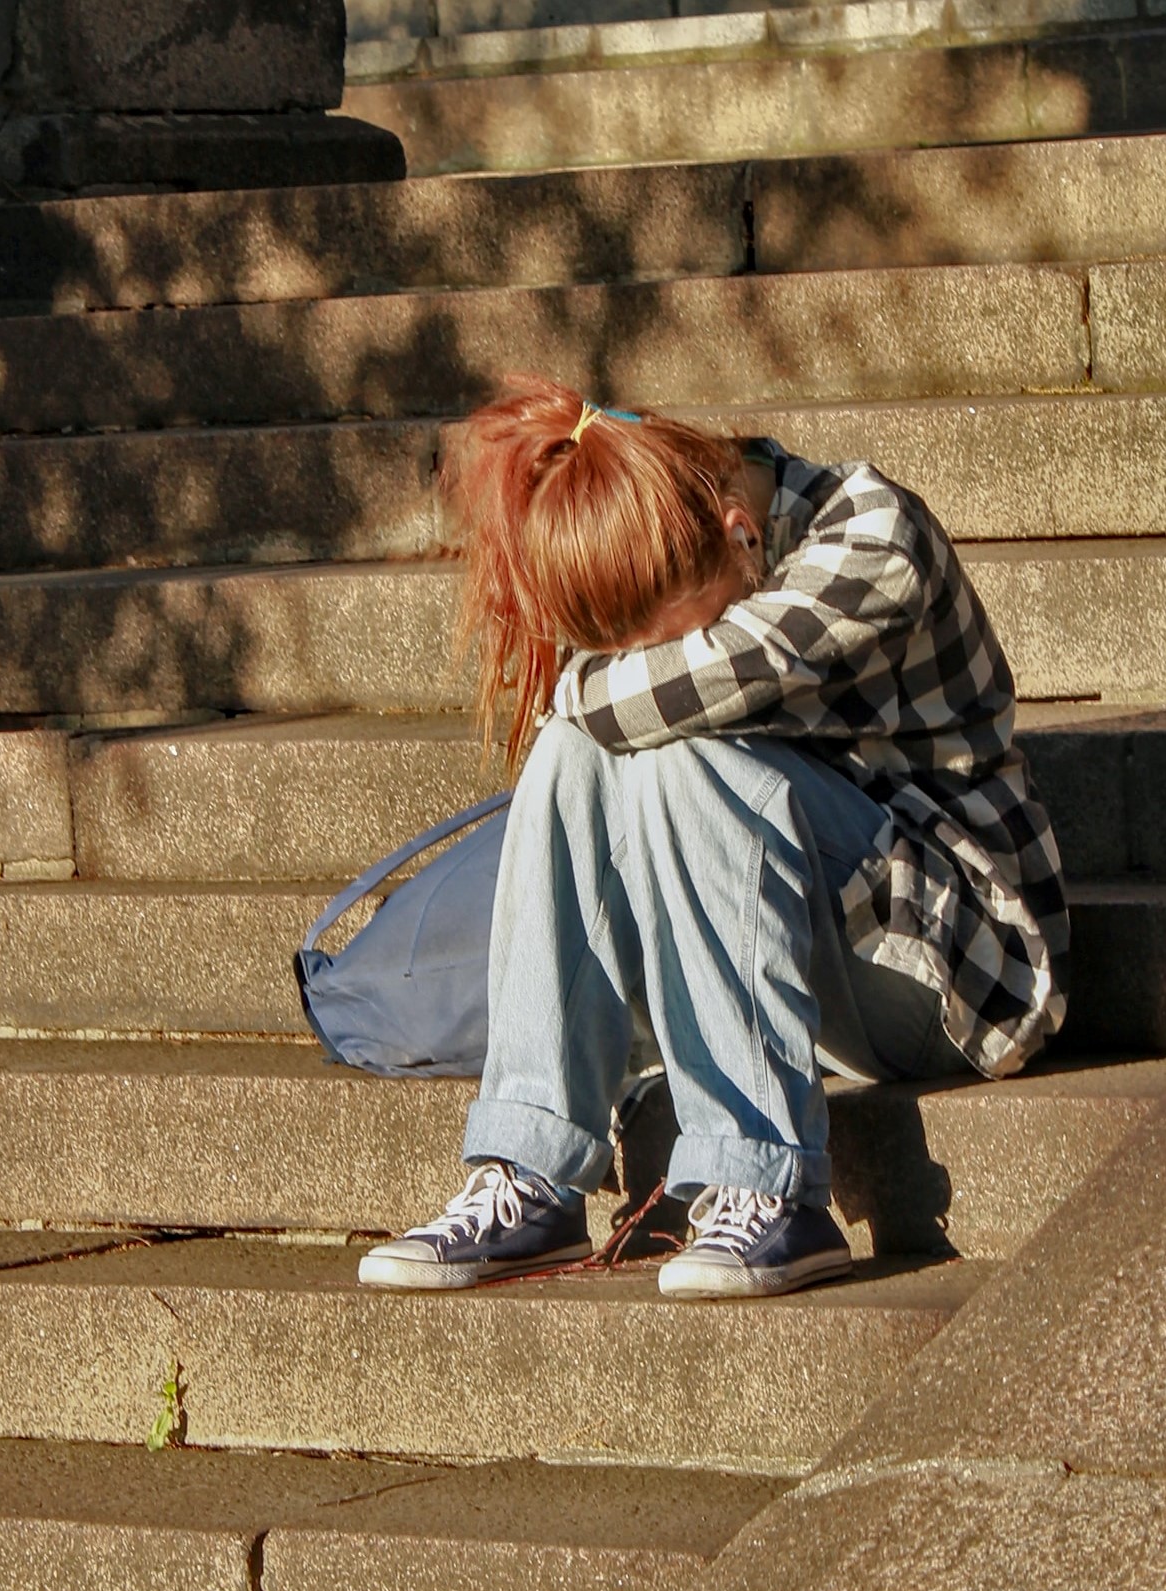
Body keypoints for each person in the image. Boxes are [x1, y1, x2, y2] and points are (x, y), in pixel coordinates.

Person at [358, 378, 1067, 1300]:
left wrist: (582, 691)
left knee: (664, 746)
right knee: (589, 754)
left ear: (740, 530)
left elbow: (631, 699)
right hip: (809, 958)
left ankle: (765, 1187)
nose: (649, 660)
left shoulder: (869, 537)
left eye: (673, 636)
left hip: (959, 968)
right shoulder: (692, 542)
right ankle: (529, 1165)